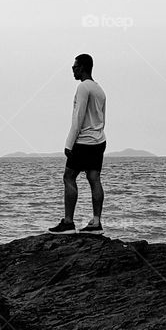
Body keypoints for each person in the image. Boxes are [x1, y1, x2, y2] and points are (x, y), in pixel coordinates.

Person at [48, 53, 107, 233]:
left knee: (69, 177)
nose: (72, 70)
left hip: (83, 142)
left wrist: (69, 143)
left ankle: (68, 222)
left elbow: (78, 117)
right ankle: (96, 223)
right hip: (99, 140)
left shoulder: (83, 87)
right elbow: (102, 118)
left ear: (82, 67)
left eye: (74, 67)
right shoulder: (100, 90)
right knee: (94, 179)